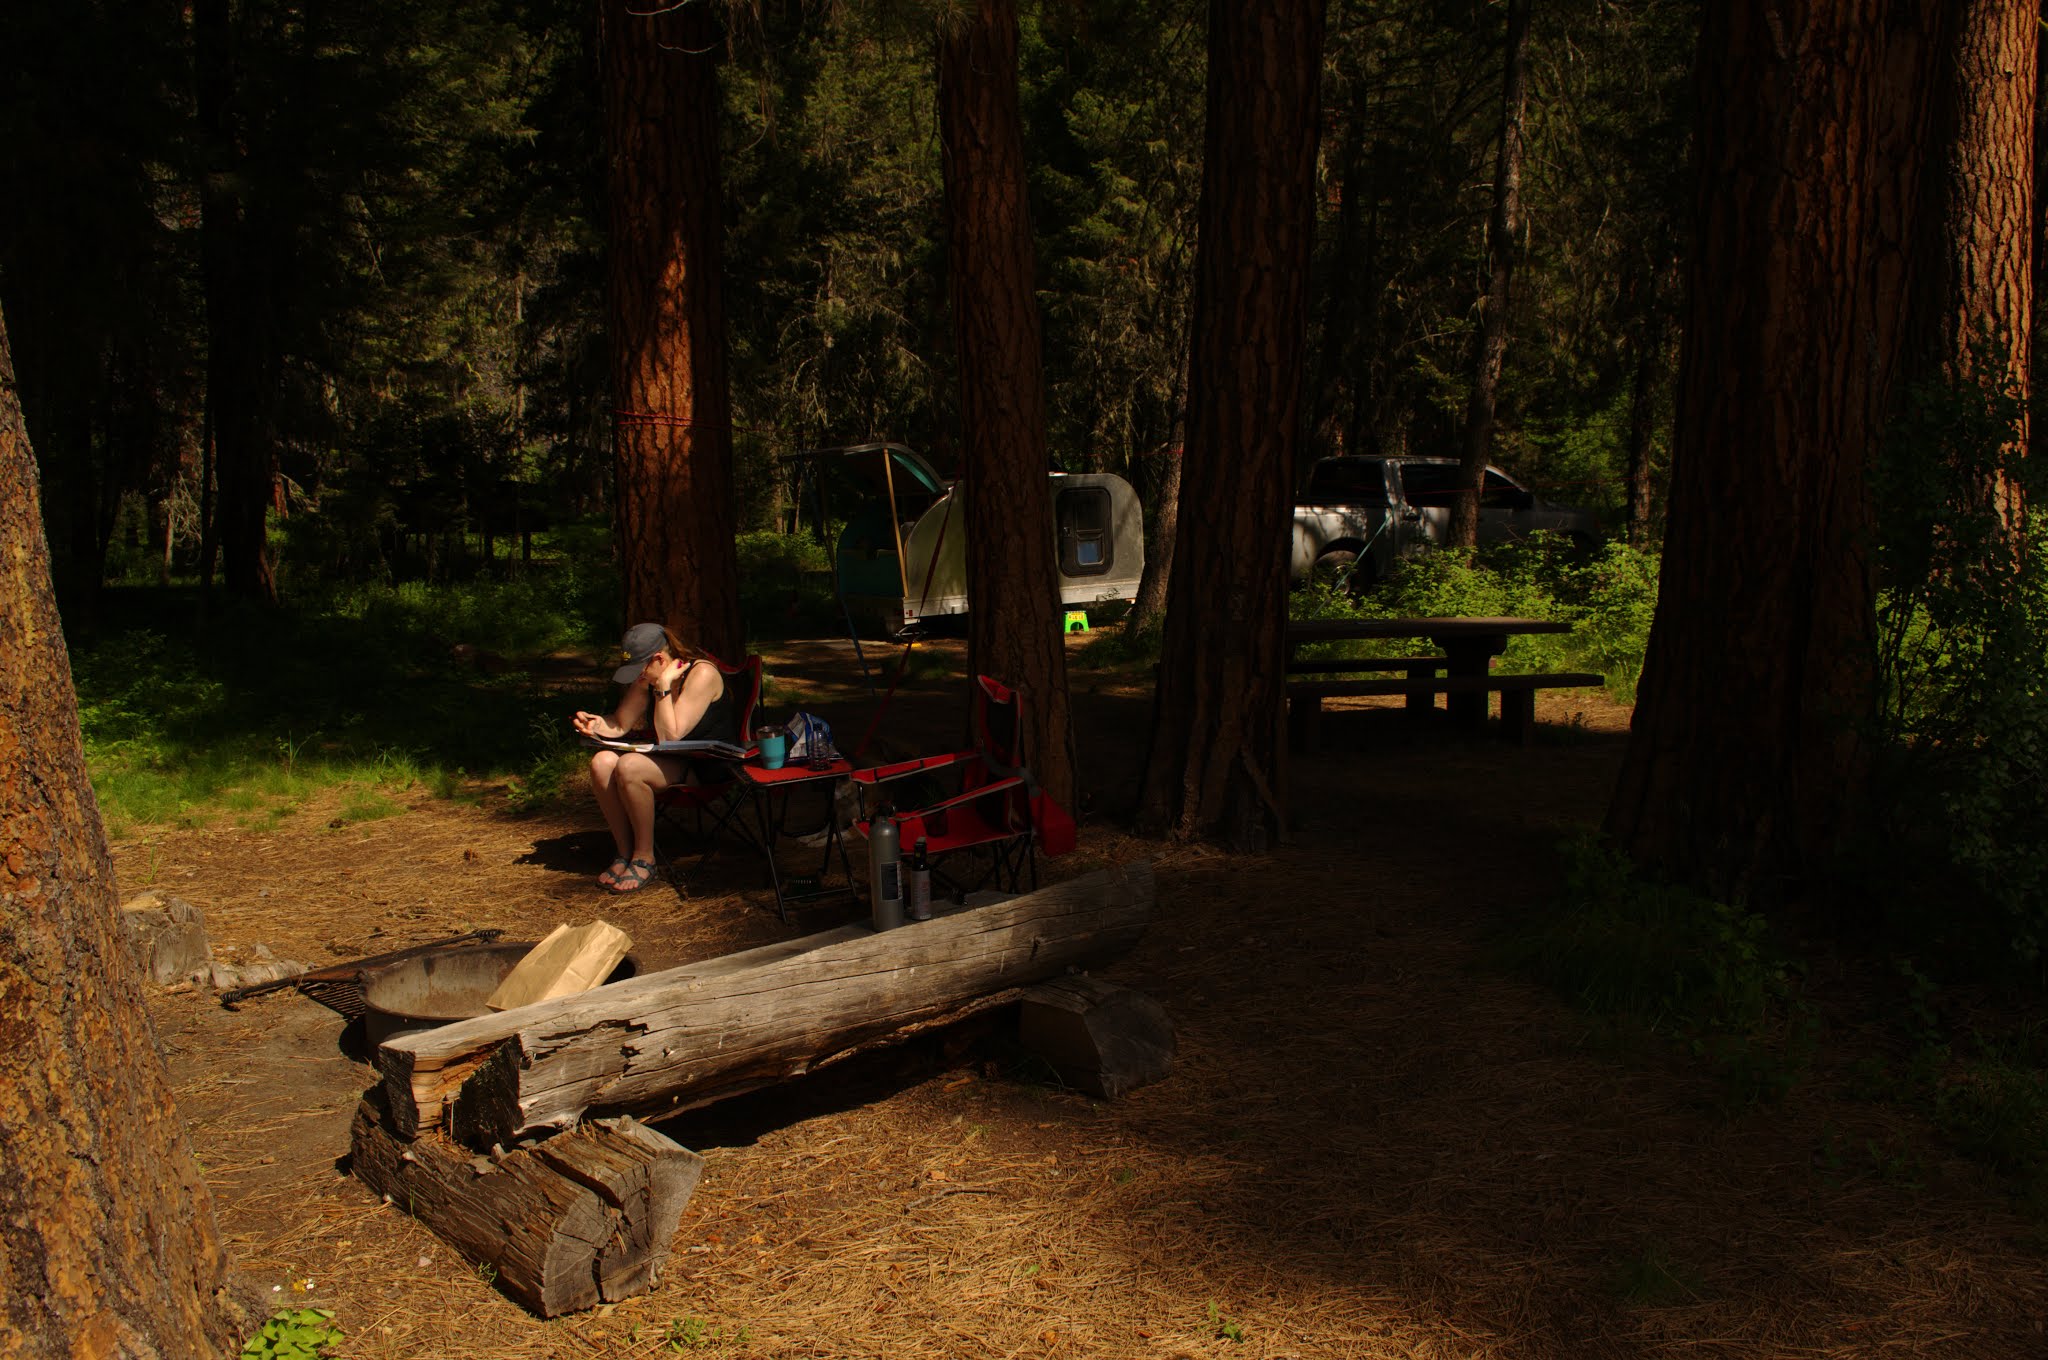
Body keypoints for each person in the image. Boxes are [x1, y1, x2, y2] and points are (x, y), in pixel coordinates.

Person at [572, 622, 742, 893]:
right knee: (601, 762)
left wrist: (662, 687)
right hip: (672, 760)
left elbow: (670, 736)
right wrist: (595, 725)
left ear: (659, 659)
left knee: (630, 766)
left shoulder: (701, 674)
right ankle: (624, 853)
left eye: (641, 670)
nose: (639, 678)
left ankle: (644, 857)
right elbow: (619, 722)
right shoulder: (649, 676)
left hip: (707, 765)